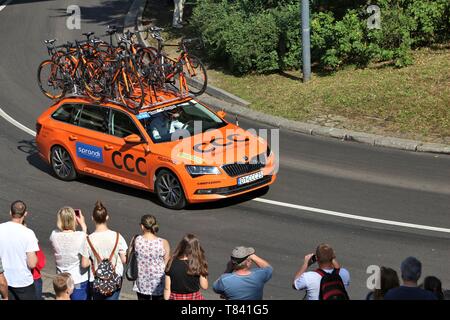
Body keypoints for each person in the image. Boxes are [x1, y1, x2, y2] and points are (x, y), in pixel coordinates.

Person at [80, 201, 127, 300]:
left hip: (97, 279)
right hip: (115, 277)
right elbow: (124, 260)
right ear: (107, 217)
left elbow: (84, 264)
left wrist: (93, 258)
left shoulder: (88, 240)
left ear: (92, 218)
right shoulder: (118, 236)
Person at [0, 201, 39, 300]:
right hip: (23, 281)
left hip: (4, 279)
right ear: (25, 213)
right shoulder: (29, 233)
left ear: (10, 212)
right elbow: (32, 264)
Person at [50, 207, 90, 300]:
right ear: (74, 220)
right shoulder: (81, 236)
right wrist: (83, 225)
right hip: (78, 279)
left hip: (61, 280)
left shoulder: (54, 235)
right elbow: (88, 241)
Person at [132, 215, 170, 300]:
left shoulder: (136, 240)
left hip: (142, 280)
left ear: (142, 226)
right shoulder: (163, 242)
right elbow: (167, 263)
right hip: (158, 281)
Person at [164, 234, 208, 300]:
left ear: (181, 246)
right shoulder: (198, 263)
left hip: (176, 297)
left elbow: (167, 288)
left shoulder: (171, 262)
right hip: (194, 297)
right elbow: (204, 286)